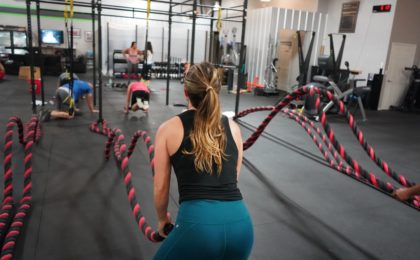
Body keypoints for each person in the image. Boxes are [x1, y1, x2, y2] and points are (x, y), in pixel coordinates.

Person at [153, 62, 253, 259]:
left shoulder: (168, 129)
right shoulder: (234, 128)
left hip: (199, 228)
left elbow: (161, 188)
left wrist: (162, 219)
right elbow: (234, 177)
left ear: (186, 92)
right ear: (216, 90)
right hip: (242, 227)